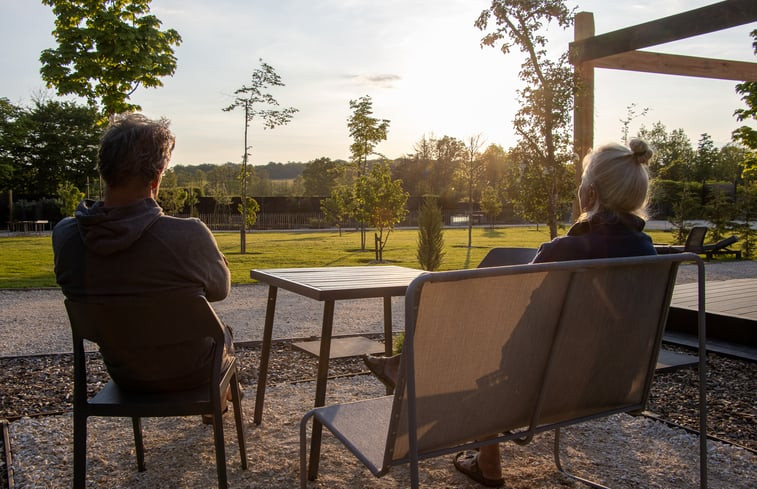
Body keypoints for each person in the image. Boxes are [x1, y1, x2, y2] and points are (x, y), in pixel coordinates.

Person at [365, 138, 656, 487]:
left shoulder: (563, 252)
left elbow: (512, 325)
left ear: (590, 195)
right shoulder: (652, 256)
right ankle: (480, 458)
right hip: (614, 384)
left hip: (535, 389)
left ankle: (404, 370)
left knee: (482, 344)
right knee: (490, 348)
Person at [53, 113, 235, 407]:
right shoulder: (187, 234)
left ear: (105, 172)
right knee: (223, 334)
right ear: (157, 175)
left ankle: (224, 398)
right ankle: (221, 402)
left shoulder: (65, 236)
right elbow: (220, 290)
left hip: (126, 375)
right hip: (192, 374)